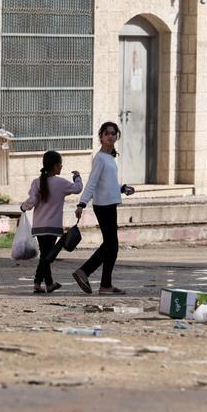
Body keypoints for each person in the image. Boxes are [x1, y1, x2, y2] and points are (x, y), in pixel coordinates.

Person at [71, 121, 135, 295]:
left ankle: (104, 284)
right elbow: (92, 182)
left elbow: (109, 182)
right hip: (103, 206)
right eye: (107, 133)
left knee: (111, 246)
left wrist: (122, 188)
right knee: (111, 245)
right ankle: (86, 272)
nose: (110, 136)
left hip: (110, 203)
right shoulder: (99, 158)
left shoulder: (110, 158)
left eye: (113, 133)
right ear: (101, 136)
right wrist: (81, 203)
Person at [20, 151, 82, 293]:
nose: (61, 166)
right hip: (53, 227)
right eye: (60, 164)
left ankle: (48, 283)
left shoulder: (36, 182)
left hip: (39, 227)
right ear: (54, 166)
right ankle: (38, 282)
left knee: (45, 255)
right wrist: (77, 177)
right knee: (47, 257)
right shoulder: (61, 183)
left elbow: (32, 201)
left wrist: (23, 207)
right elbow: (78, 188)